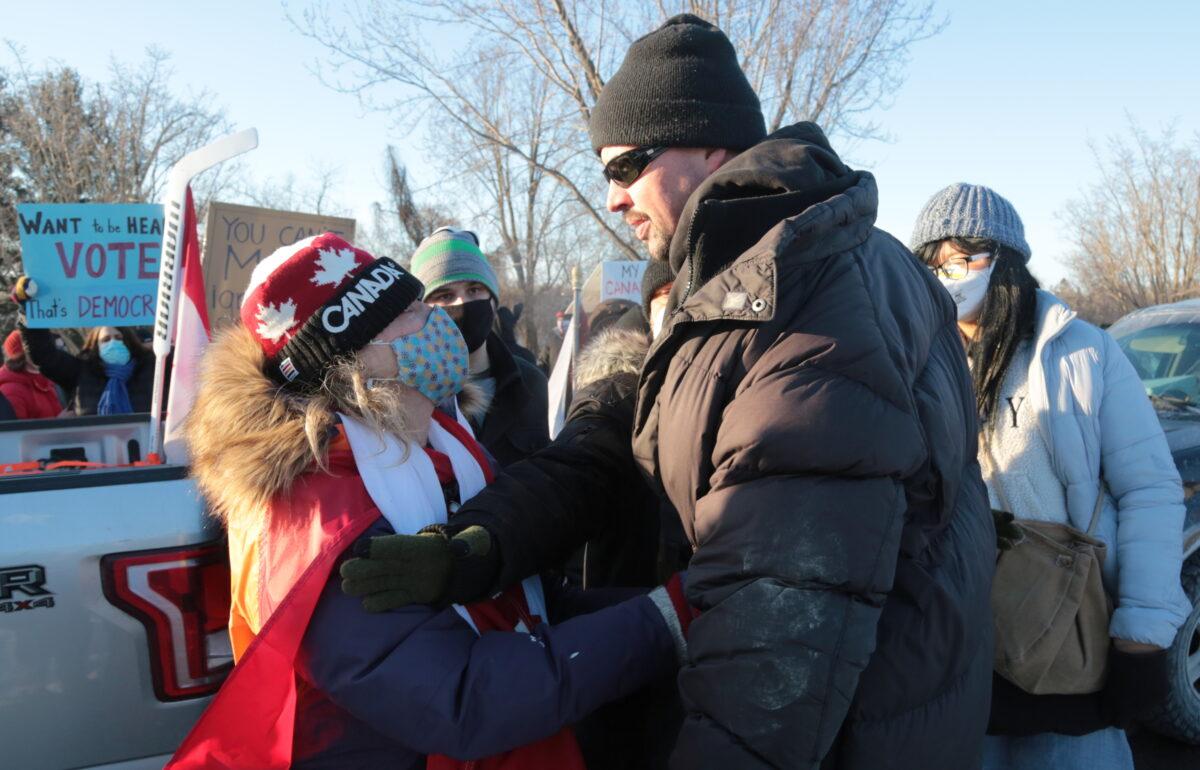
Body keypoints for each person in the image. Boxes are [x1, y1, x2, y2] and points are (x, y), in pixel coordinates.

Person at [349, 14, 995, 769]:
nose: (614, 197)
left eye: (627, 167)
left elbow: (778, 619)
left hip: (848, 732)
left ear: (709, 145)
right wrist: (481, 545)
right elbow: (607, 452)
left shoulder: (811, 305)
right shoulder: (740, 290)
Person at [169, 233, 694, 770]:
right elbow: (464, 699)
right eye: (410, 312)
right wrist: (664, 621)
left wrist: (691, 606)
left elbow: (529, 609)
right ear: (354, 360)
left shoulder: (444, 447)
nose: (437, 320)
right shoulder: (316, 518)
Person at [911, 183, 1192, 770]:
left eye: (963, 258)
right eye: (932, 263)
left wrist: (1140, 634)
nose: (948, 276)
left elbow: (1150, 490)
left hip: (1065, 636)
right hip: (953, 644)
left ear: (1006, 260)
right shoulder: (919, 360)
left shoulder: (1079, 353)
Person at [411, 227, 550, 467]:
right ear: (423, 310)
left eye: (474, 290)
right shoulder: (410, 391)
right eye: (445, 296)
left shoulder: (531, 382)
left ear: (493, 301)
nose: (462, 302)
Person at [14, 317, 154, 415]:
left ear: (128, 342)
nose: (113, 343)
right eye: (106, 340)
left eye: (118, 338)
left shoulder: (149, 368)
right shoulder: (80, 371)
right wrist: (29, 315)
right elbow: (44, 355)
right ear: (95, 347)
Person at [0, 330, 61, 419]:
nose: (46, 351)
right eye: (38, 346)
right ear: (23, 354)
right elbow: (17, 430)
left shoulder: (46, 380)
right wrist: (60, 422)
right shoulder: (11, 391)